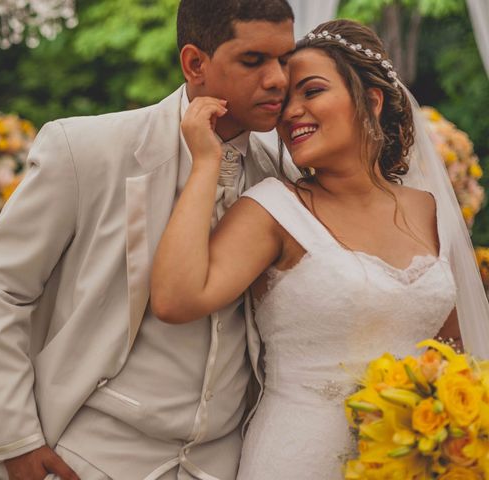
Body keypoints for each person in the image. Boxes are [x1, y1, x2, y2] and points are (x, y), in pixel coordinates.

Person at [0, 1, 296, 479]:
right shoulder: (88, 151)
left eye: (285, 59)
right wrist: (14, 440)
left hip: (225, 462)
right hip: (89, 455)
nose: (278, 79)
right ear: (195, 64)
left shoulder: (284, 176)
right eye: (254, 60)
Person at [151, 19, 489, 478]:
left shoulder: (428, 210)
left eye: (311, 91)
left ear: (370, 100)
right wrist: (206, 162)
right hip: (299, 458)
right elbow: (175, 298)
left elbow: (453, 354)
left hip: (412, 462)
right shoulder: (273, 209)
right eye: (285, 99)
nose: (291, 112)